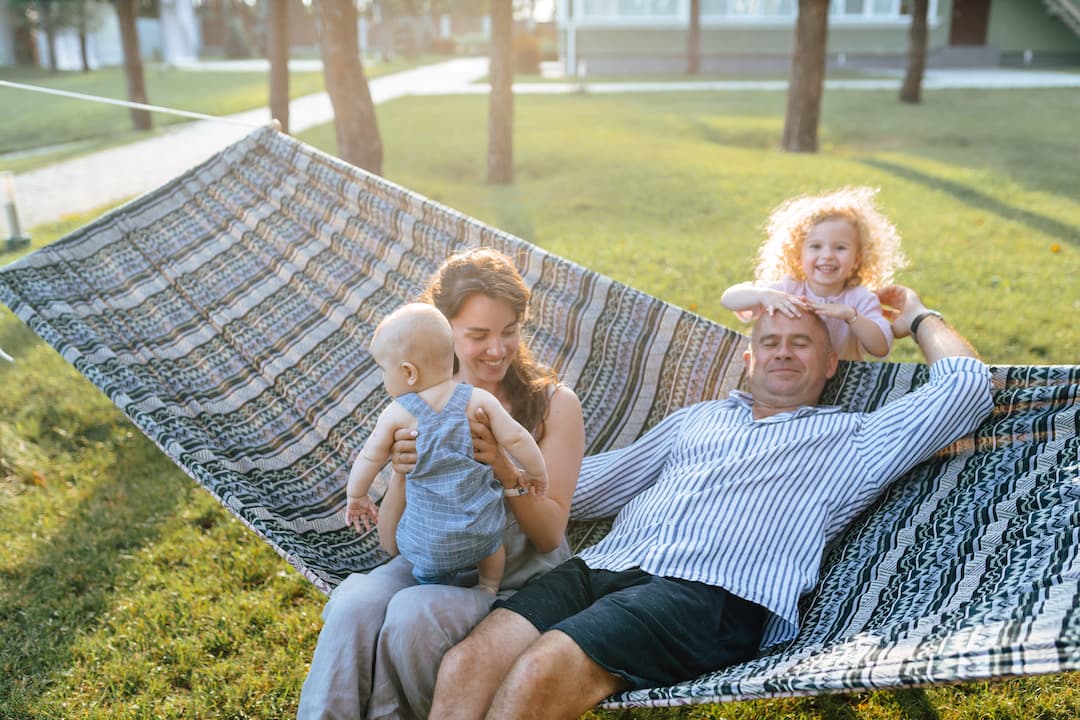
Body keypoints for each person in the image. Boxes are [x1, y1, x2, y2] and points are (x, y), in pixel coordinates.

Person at [430, 285, 994, 720]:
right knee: (467, 664)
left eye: (802, 343)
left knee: (540, 671)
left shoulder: (855, 438)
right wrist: (480, 469)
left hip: (711, 595)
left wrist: (917, 315)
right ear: (748, 361)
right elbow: (586, 484)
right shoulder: (698, 420)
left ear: (829, 366)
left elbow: (965, 389)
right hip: (600, 568)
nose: (783, 353)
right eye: (769, 342)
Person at [298, 248, 586, 720]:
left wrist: (503, 467)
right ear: (443, 332)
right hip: (431, 561)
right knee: (353, 604)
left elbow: (551, 535)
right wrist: (401, 473)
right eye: (478, 336)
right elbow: (393, 544)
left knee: (413, 615)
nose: (497, 350)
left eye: (509, 331)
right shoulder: (414, 406)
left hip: (512, 581)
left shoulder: (555, 405)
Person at [344, 302, 549, 595]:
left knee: (425, 567)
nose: (383, 379)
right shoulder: (477, 400)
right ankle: (489, 587)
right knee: (494, 548)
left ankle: (431, 587)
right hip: (481, 531)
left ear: (408, 372)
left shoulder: (398, 414)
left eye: (383, 371)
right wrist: (536, 473)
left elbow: (370, 457)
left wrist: (357, 495)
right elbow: (516, 437)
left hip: (430, 541)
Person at [721, 186, 907, 361]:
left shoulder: (860, 299)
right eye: (816, 246)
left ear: (857, 259)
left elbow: (881, 347)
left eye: (840, 248)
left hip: (841, 386)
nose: (827, 255)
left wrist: (851, 316)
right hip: (790, 379)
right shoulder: (787, 289)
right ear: (798, 255)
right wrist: (763, 296)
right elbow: (728, 299)